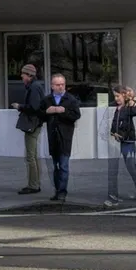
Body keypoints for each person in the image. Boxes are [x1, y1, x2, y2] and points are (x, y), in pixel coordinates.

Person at [105, 86, 136, 206]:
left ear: (124, 95)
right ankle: (113, 193)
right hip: (118, 139)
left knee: (131, 167)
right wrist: (113, 132)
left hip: (128, 141)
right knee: (114, 169)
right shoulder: (117, 107)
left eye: (118, 96)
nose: (116, 98)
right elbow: (115, 121)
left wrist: (133, 100)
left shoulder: (129, 106)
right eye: (115, 96)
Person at [43, 73, 82, 201]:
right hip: (53, 136)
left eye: (62, 84)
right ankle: (57, 190)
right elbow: (39, 114)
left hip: (65, 136)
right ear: (52, 86)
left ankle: (62, 191)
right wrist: (47, 112)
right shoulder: (47, 99)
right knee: (56, 166)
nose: (60, 87)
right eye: (58, 85)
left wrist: (63, 111)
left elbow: (76, 115)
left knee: (64, 165)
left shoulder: (71, 99)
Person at [11, 64, 46, 194]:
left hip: (32, 125)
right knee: (33, 156)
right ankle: (35, 183)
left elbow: (34, 107)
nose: (21, 76)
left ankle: (33, 185)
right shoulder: (35, 86)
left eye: (23, 74)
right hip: (35, 124)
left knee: (30, 156)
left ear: (29, 75)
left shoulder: (34, 88)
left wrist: (19, 106)